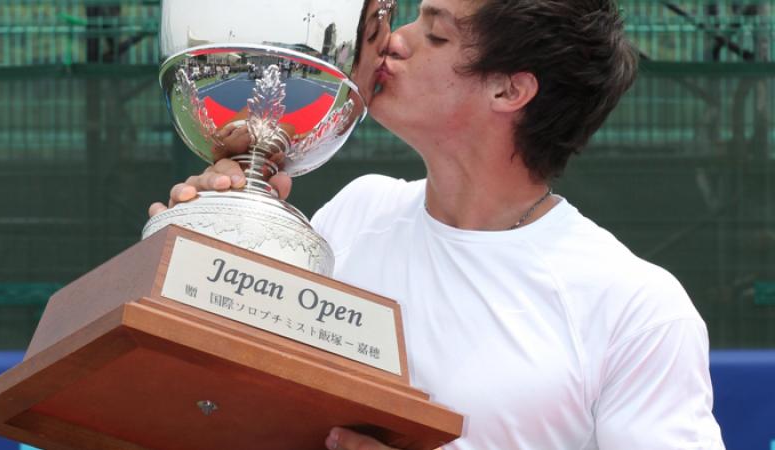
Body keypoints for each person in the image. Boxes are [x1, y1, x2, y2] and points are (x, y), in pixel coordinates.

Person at [150, 0, 725, 449]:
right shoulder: (357, 212)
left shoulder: (636, 306)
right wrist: (216, 237)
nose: (393, 42)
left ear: (509, 88)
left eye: (436, 33)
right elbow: (220, 394)